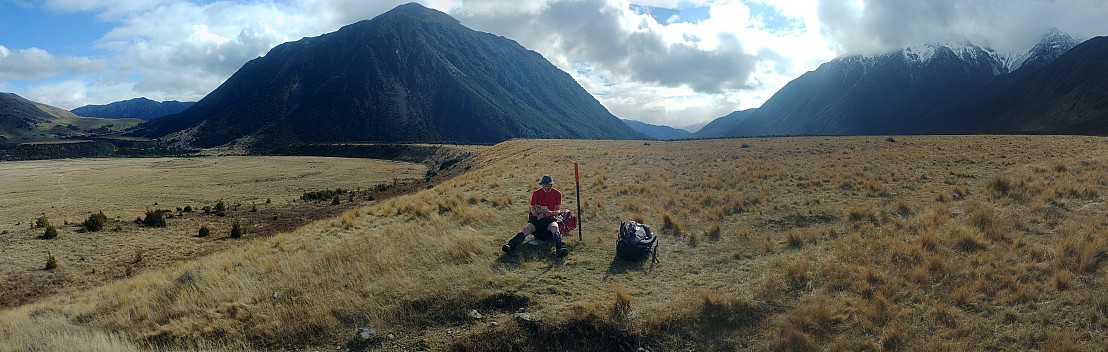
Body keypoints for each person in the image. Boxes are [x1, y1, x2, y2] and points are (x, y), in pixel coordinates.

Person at [502, 174, 569, 257]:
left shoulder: (557, 194)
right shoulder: (536, 193)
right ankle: (510, 246)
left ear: (551, 185)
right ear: (542, 185)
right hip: (536, 218)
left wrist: (551, 213)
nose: (546, 188)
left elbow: (558, 210)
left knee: (555, 228)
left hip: (549, 219)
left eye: (548, 186)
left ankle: (560, 249)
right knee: (526, 229)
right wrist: (533, 212)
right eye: (544, 186)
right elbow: (532, 207)